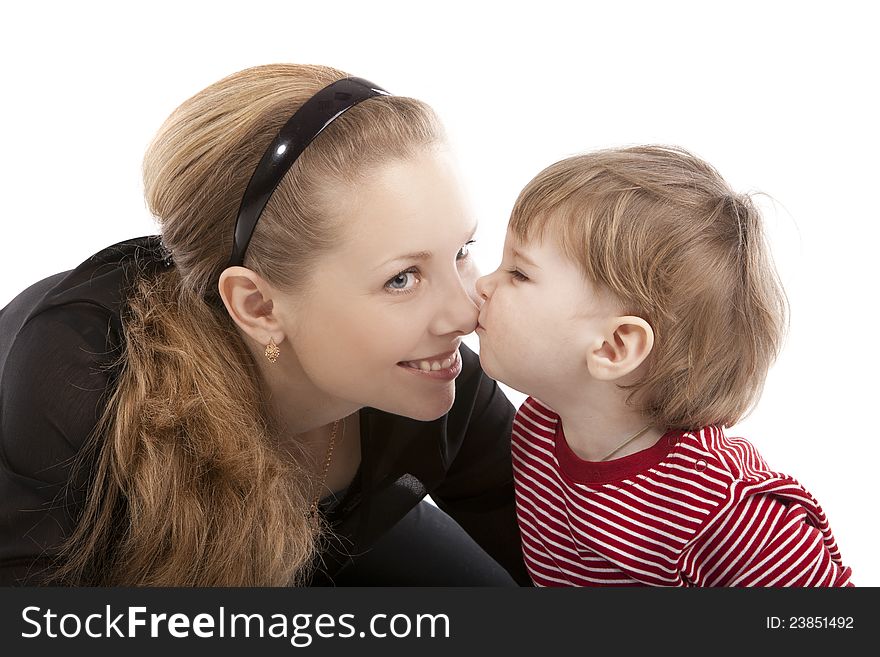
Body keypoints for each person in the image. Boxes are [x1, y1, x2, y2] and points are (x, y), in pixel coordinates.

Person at [0, 64, 530, 586]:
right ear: (258, 306)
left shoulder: (438, 376)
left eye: (462, 250)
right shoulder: (77, 387)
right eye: (402, 279)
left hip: (336, 535)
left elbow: (575, 569)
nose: (466, 314)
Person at [474, 145, 853, 586]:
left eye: (518, 273)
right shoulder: (539, 429)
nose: (482, 285)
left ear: (615, 347)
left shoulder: (726, 512)